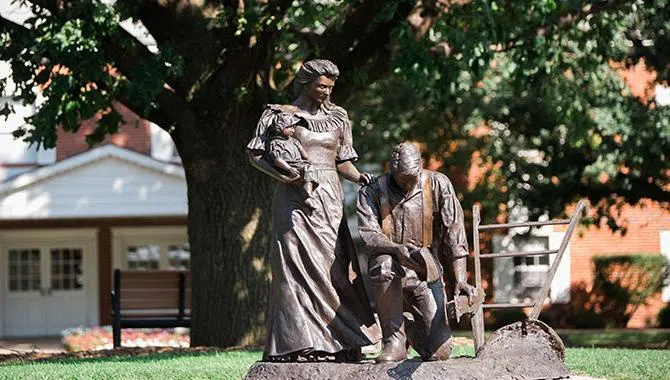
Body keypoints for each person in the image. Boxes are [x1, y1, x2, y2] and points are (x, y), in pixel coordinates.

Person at [247, 59, 381, 362]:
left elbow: (342, 161)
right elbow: (255, 154)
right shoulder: (278, 115)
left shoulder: (339, 117)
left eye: (330, 87)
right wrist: (284, 175)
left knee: (333, 267)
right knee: (294, 267)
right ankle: (297, 344)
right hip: (293, 199)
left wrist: (360, 177)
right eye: (322, 86)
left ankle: (343, 340)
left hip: (329, 197)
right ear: (305, 83)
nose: (326, 91)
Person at [357, 142, 476, 362]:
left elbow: (454, 232)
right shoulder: (372, 190)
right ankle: (394, 341)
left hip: (425, 270)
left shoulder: (438, 184)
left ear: (420, 166)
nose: (407, 184)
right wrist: (395, 249)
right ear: (391, 170)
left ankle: (407, 325)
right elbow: (368, 234)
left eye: (412, 177)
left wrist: (460, 279)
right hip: (391, 269)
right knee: (382, 263)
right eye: (401, 178)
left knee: (438, 353)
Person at [265, 112, 317, 211]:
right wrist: (289, 168)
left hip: (299, 164)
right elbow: (277, 159)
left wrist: (300, 148)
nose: (293, 130)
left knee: (309, 168)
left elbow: (305, 156)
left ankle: (307, 194)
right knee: (306, 170)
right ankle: (306, 194)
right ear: (280, 128)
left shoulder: (294, 141)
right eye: (290, 127)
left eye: (294, 127)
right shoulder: (275, 143)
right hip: (289, 166)